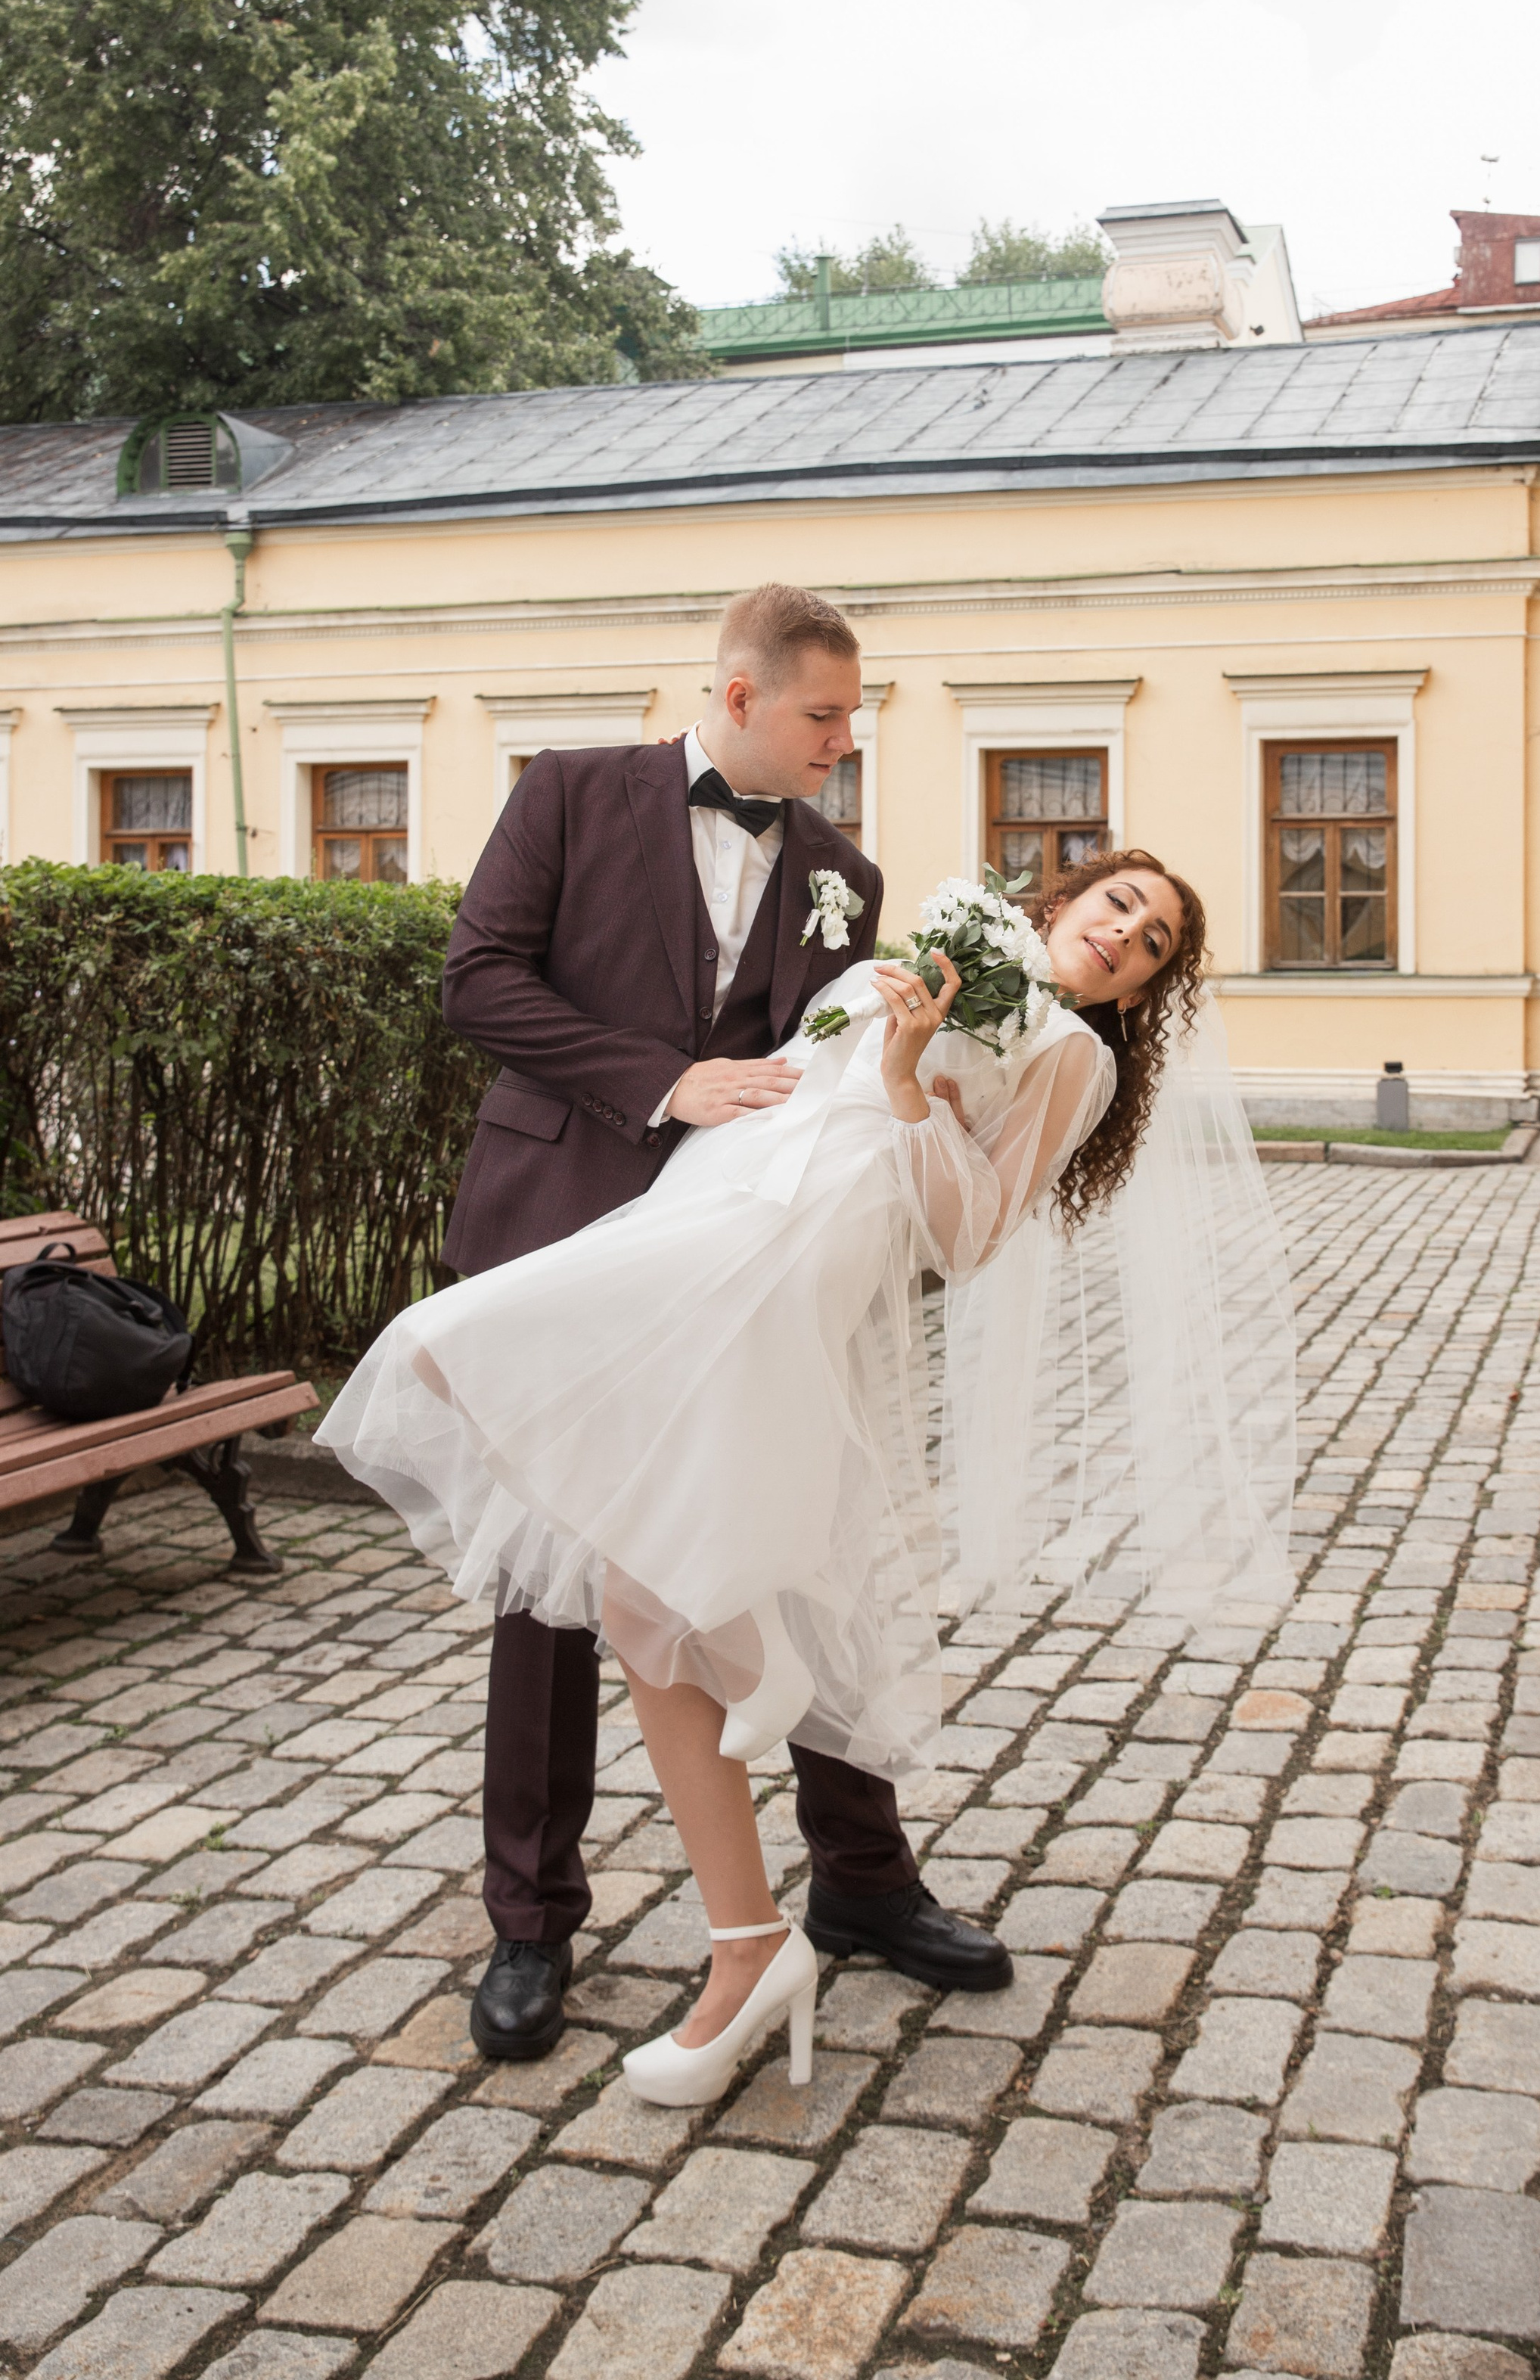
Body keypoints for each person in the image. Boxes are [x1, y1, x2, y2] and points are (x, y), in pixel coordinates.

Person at [322, 812, 1256, 2101]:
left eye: (1147, 947)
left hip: (804, 1247)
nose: (1120, 939)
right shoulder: (934, 946)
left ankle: (759, 1700)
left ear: (1141, 990)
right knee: (590, 1531)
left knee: (462, 1347)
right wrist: (848, 1024)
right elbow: (775, 1064)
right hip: (716, 1188)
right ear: (1064, 900)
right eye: (1118, 906)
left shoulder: (1067, 1061)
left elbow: (969, 1232)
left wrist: (908, 1075)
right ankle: (745, 1906)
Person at [405, 582, 1010, 2063]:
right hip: (561, 1234)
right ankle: (531, 1922)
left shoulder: (843, 874)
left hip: (736, 1272)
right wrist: (659, 1082)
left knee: (788, 1557)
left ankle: (861, 1884)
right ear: (737, 695)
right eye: (822, 717)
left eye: (852, 723)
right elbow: (477, 979)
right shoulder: (566, 794)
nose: (840, 745)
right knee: (552, 1596)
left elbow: (828, 1072)